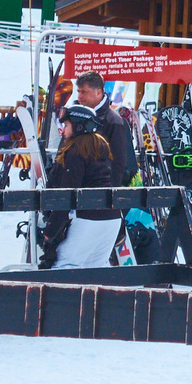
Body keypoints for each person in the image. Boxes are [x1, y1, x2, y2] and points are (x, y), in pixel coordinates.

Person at [40, 104, 122, 269]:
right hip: (111, 219)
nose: (63, 130)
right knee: (96, 268)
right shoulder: (100, 145)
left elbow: (67, 195)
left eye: (67, 125)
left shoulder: (75, 150)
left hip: (87, 218)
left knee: (66, 266)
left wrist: (50, 231)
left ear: (78, 126)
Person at [75, 71, 135, 187]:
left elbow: (118, 162)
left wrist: (108, 196)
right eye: (78, 91)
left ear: (98, 92)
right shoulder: (76, 115)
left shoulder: (113, 121)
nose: (79, 97)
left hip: (99, 192)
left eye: (84, 92)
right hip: (76, 188)